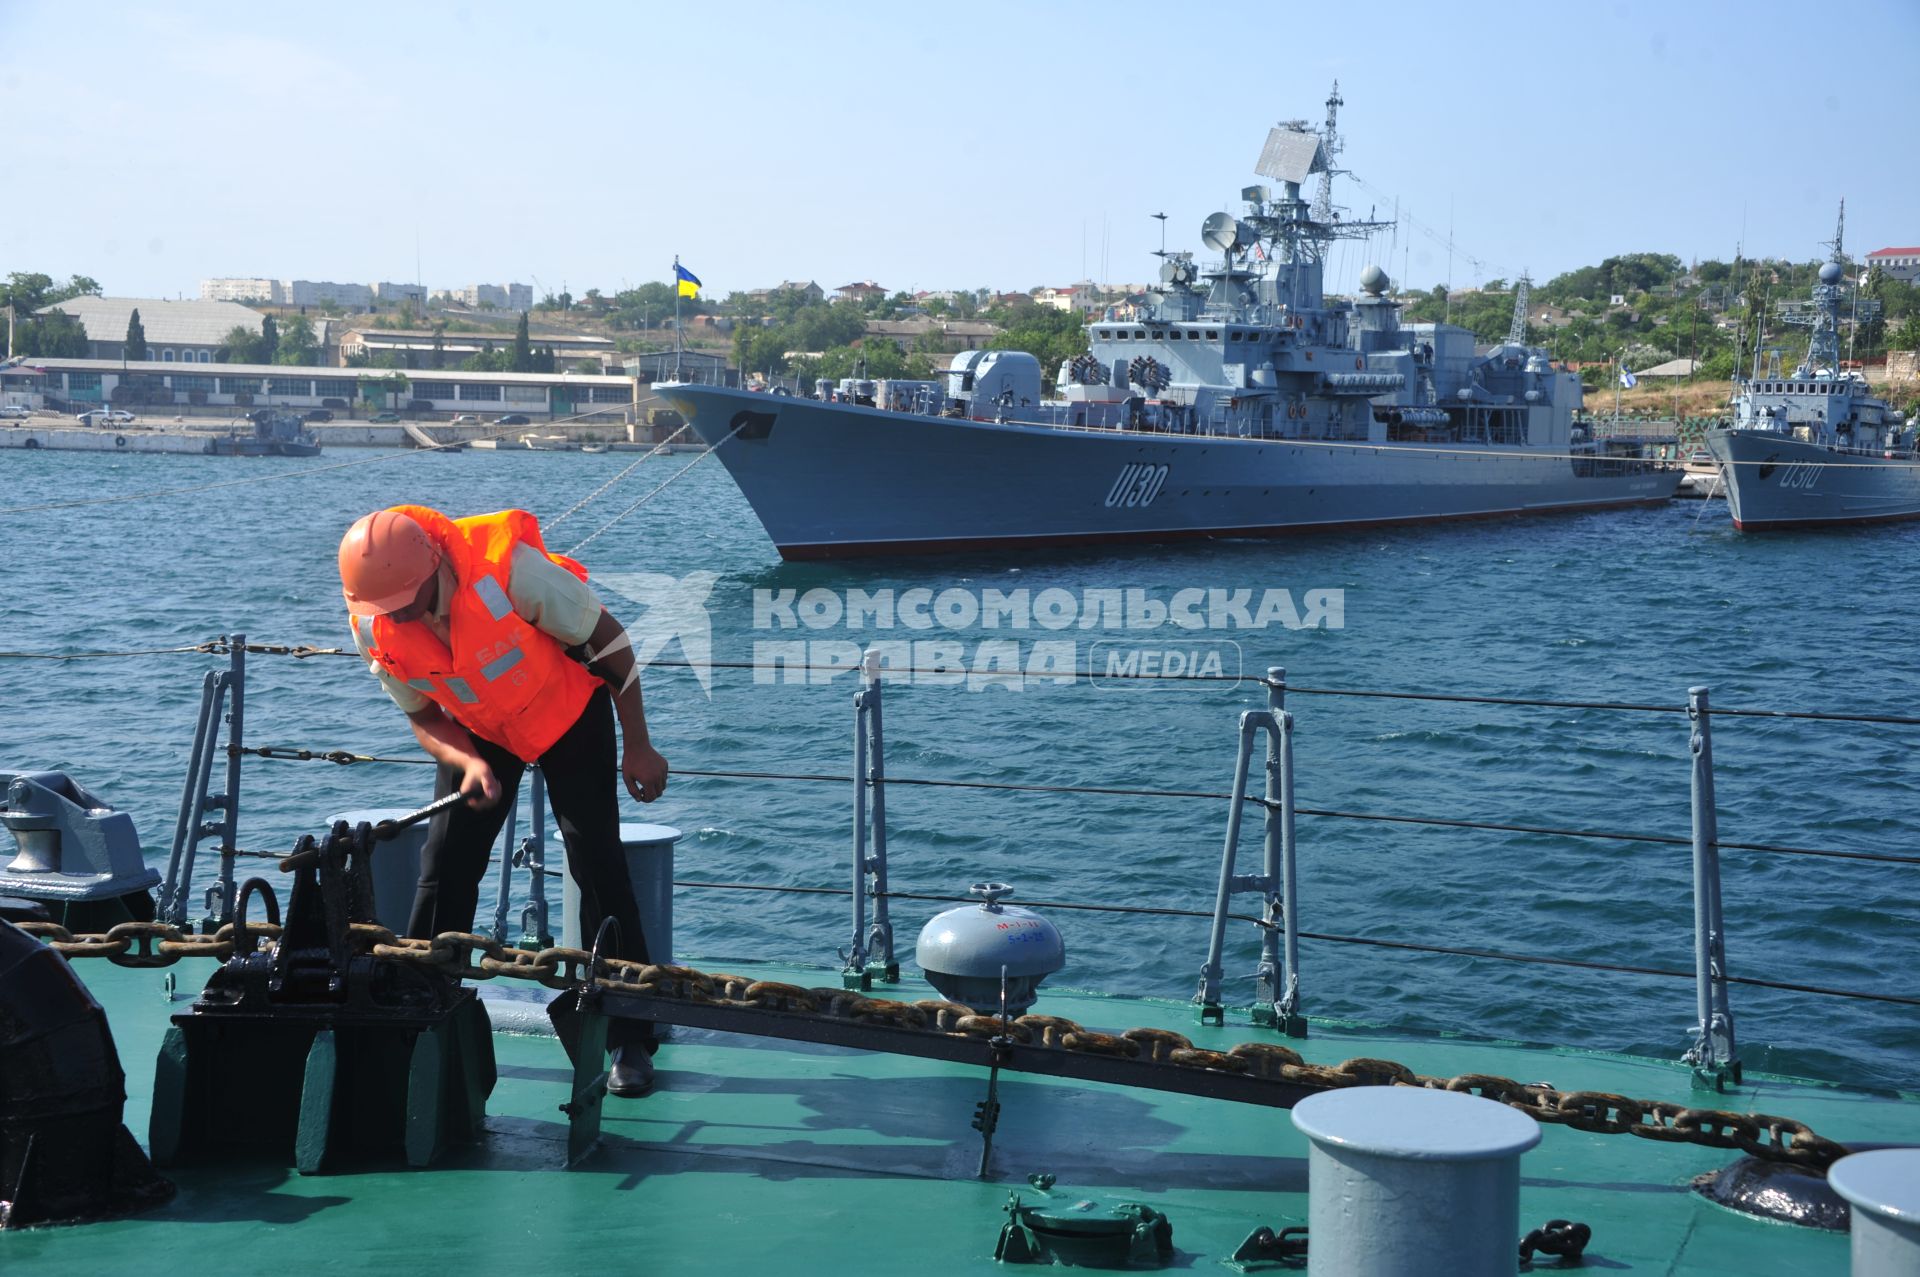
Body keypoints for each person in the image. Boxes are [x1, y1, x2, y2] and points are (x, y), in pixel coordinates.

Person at [337, 505, 669, 1097]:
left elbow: (611, 643)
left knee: (596, 860)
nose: (402, 618)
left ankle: (628, 1034)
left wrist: (638, 746)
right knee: (444, 862)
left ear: (435, 565)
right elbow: (423, 715)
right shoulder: (374, 624)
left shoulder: (512, 571)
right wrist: (467, 764)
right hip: (482, 732)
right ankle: (424, 1002)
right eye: (389, 610)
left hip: (566, 712)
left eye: (409, 604)